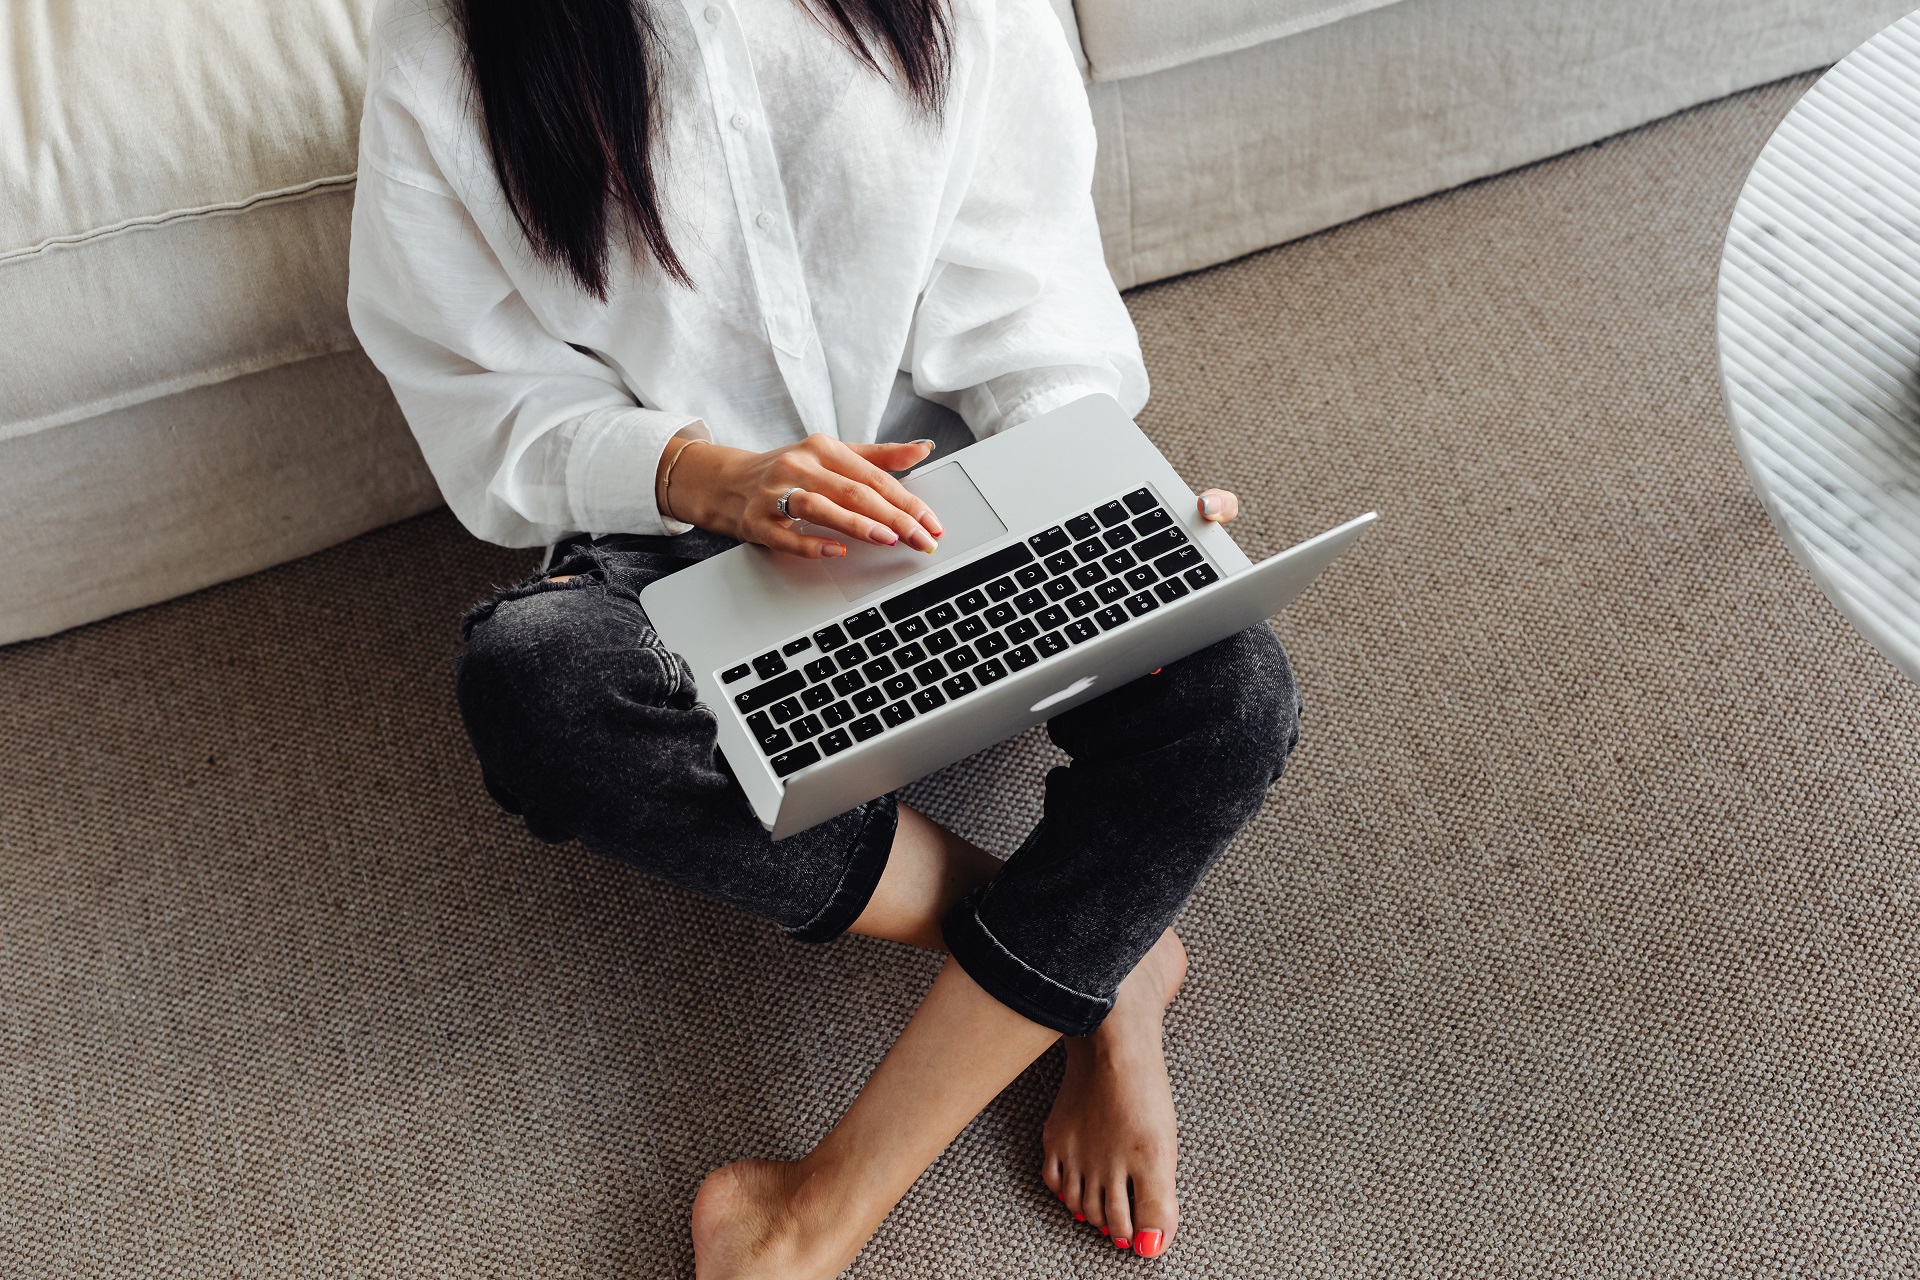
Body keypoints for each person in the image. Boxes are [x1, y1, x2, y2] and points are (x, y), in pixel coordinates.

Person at [347, 0, 1302, 1272]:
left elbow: (1023, 303)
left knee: (1231, 690)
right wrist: (714, 477)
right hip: (685, 530)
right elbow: (491, 405)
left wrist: (1110, 495)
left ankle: (819, 1207)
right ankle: (1096, 951)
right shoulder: (448, 49)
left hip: (955, 498)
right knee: (541, 691)